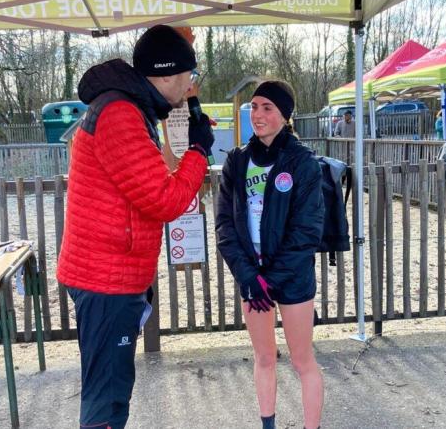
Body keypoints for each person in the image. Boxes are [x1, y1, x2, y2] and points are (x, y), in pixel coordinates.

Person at [56, 25, 214, 429]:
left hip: (112, 274)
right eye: (188, 75)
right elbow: (165, 200)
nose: (189, 85)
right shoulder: (120, 115)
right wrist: (198, 150)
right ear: (166, 74)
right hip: (106, 279)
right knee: (107, 396)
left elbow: (150, 184)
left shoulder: (130, 110)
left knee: (111, 386)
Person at [216, 80, 325, 429]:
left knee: (302, 360)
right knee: (264, 357)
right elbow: (224, 226)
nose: (257, 115)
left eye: (267, 108)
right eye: (254, 106)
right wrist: (249, 277)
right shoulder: (237, 161)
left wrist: (270, 280)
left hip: (291, 276)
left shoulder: (302, 162)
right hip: (252, 276)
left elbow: (306, 231)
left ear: (285, 115)